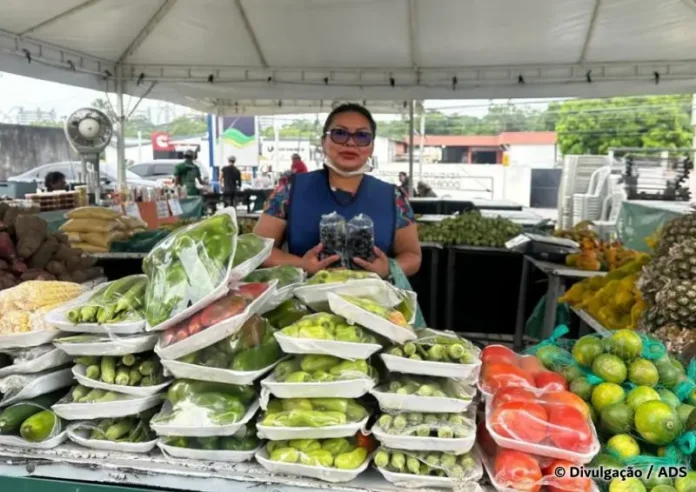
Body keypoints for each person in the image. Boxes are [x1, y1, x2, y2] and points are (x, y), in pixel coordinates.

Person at [254, 103, 421, 278]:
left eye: (362, 136)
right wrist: (301, 265)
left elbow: (412, 255)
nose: (350, 143)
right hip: (305, 293)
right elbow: (258, 248)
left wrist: (388, 269)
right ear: (323, 142)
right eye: (339, 134)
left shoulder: (393, 197)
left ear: (372, 146)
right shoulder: (289, 190)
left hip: (373, 294)